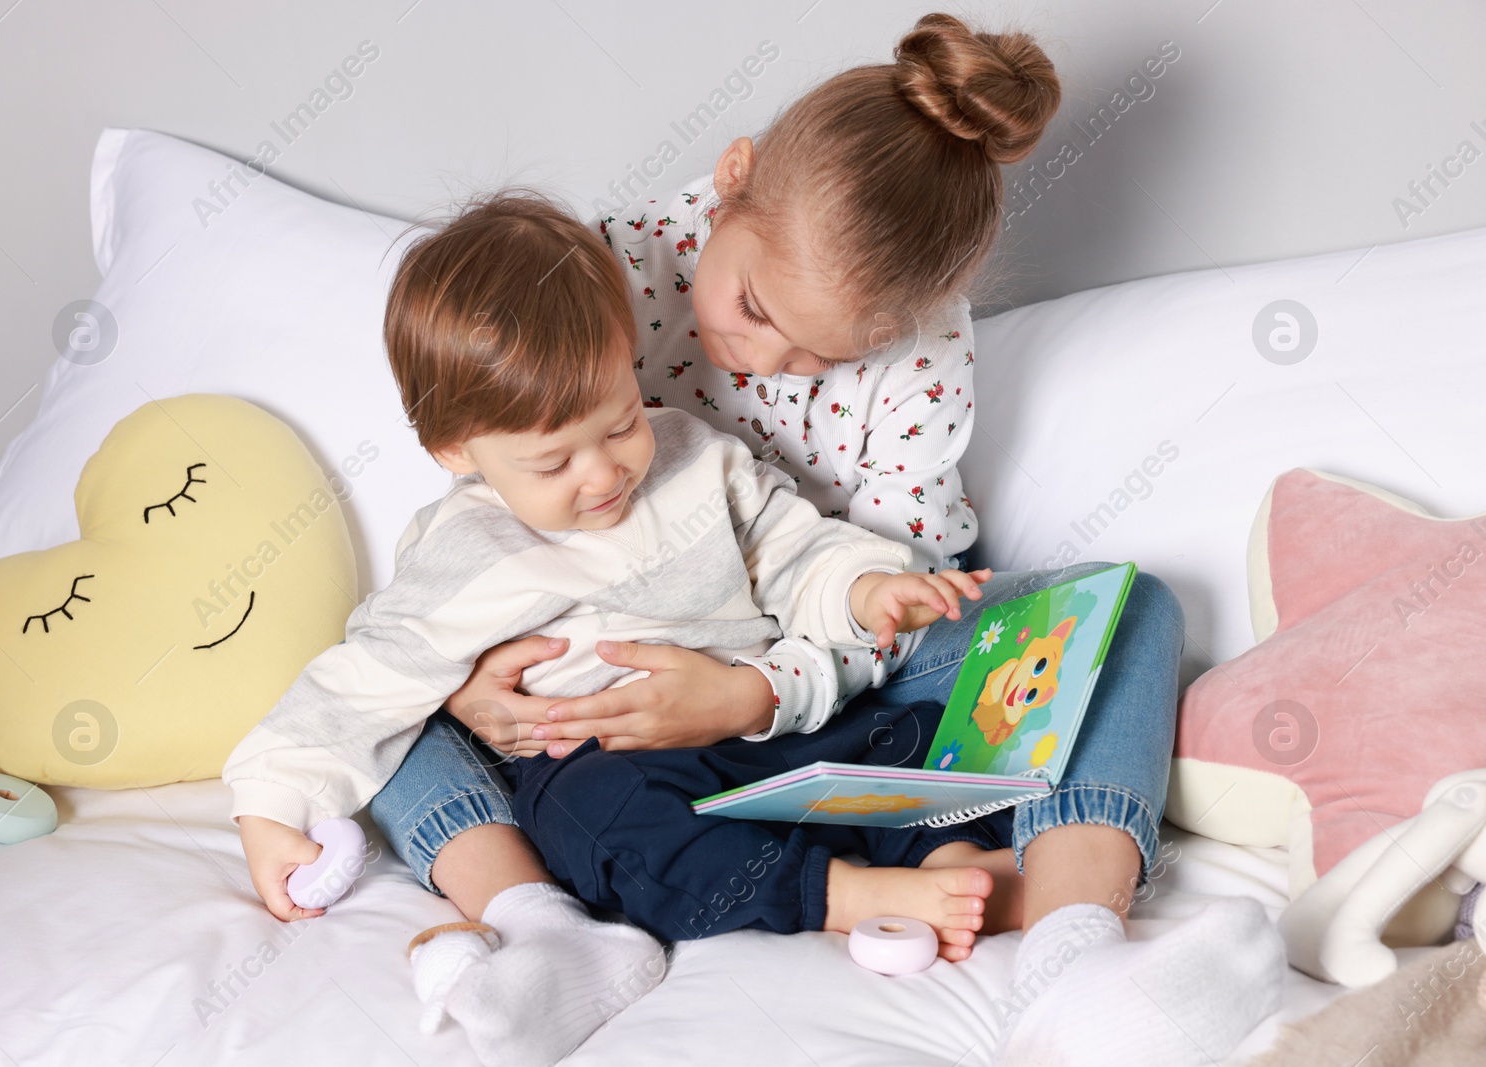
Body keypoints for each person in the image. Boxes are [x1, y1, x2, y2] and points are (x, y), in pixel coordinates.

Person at [411, 13, 1284, 1066]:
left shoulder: (921, 361)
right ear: (730, 180)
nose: (761, 357)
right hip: (610, 657)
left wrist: (751, 690)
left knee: (1128, 606)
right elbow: (498, 480)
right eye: (748, 304)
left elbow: (887, 590)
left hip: (832, 656)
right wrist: (467, 680)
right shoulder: (602, 274)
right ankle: (539, 927)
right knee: (364, 695)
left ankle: (1074, 948)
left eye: (819, 354)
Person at [224, 192, 998, 1067]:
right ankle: (838, 891)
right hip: (621, 767)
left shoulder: (696, 459)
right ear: (455, 449)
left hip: (759, 723)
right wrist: (269, 806)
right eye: (553, 460)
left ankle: (954, 855)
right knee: (594, 821)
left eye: (621, 419)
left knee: (918, 727)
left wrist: (862, 589)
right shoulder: (466, 554)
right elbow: (364, 679)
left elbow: (795, 548)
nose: (604, 473)